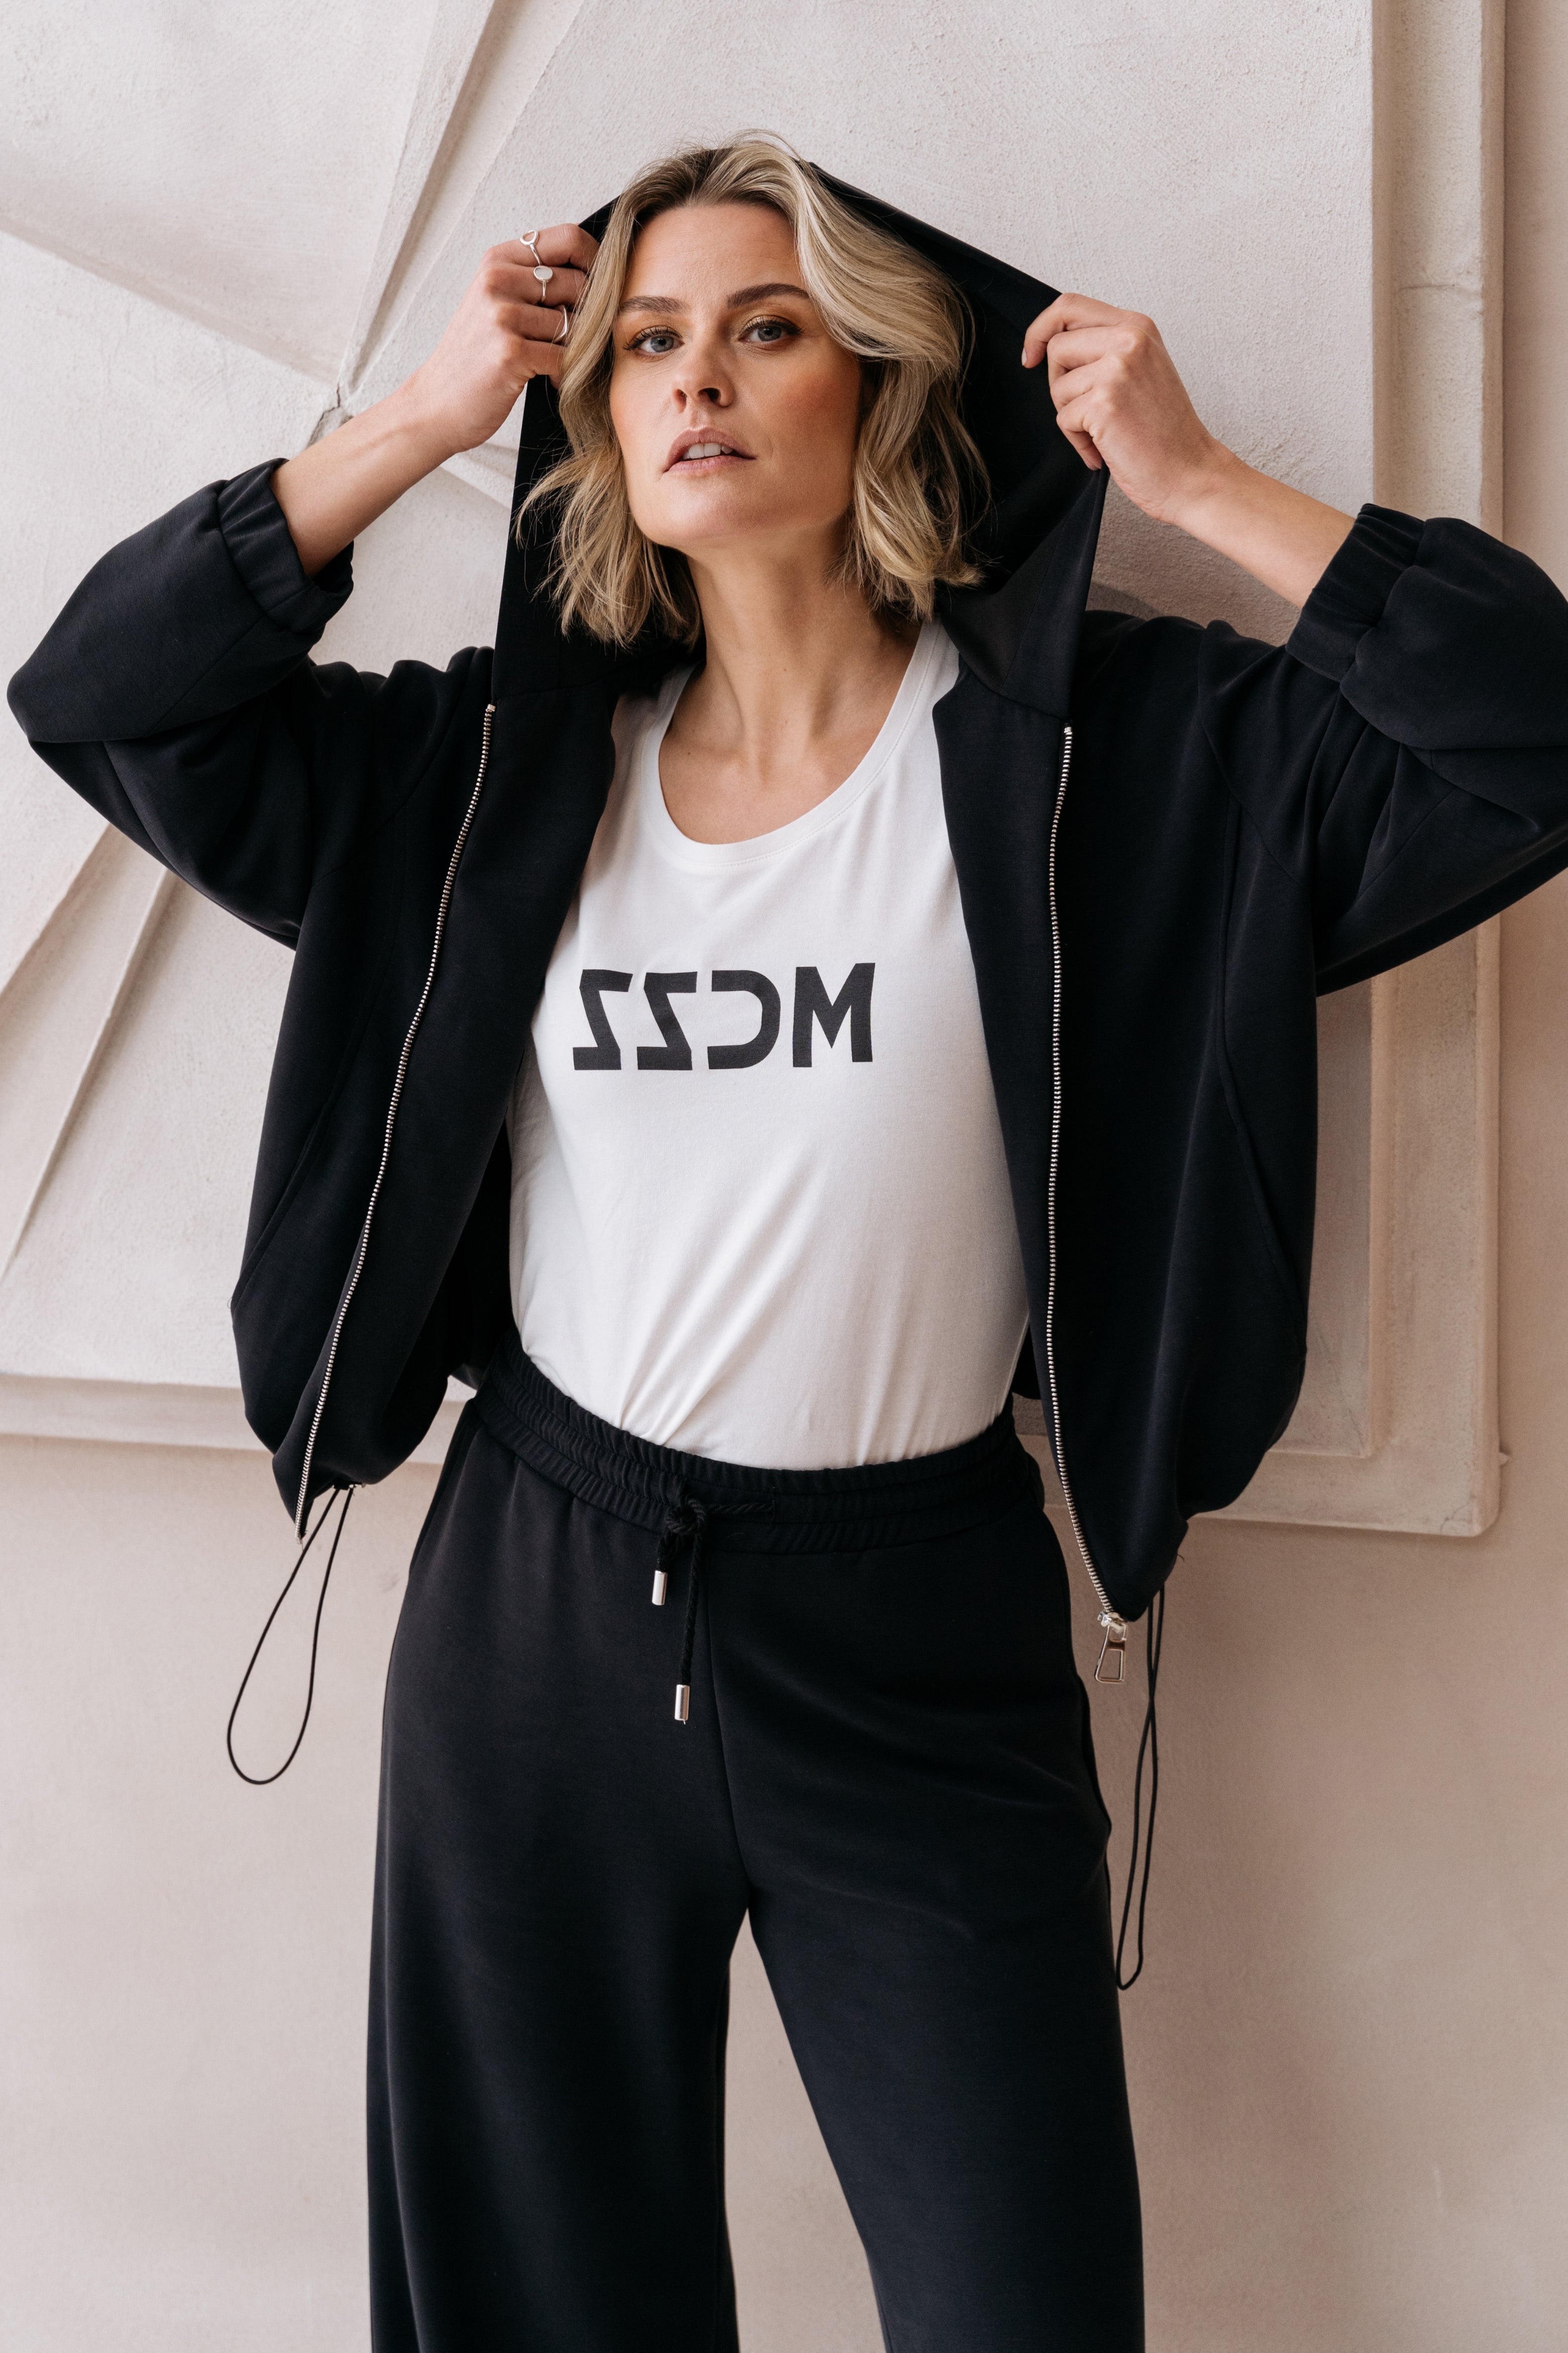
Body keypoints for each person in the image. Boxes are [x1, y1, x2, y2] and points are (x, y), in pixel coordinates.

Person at [10, 133, 1568, 2353]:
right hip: (537, 1618)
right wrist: (424, 417)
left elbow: (1535, 735)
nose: (696, 380)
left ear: (883, 388)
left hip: (917, 1625)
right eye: (646, 342)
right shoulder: (490, 781)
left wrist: (1201, 483)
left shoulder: (1107, 767)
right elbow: (101, 692)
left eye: (765, 329)